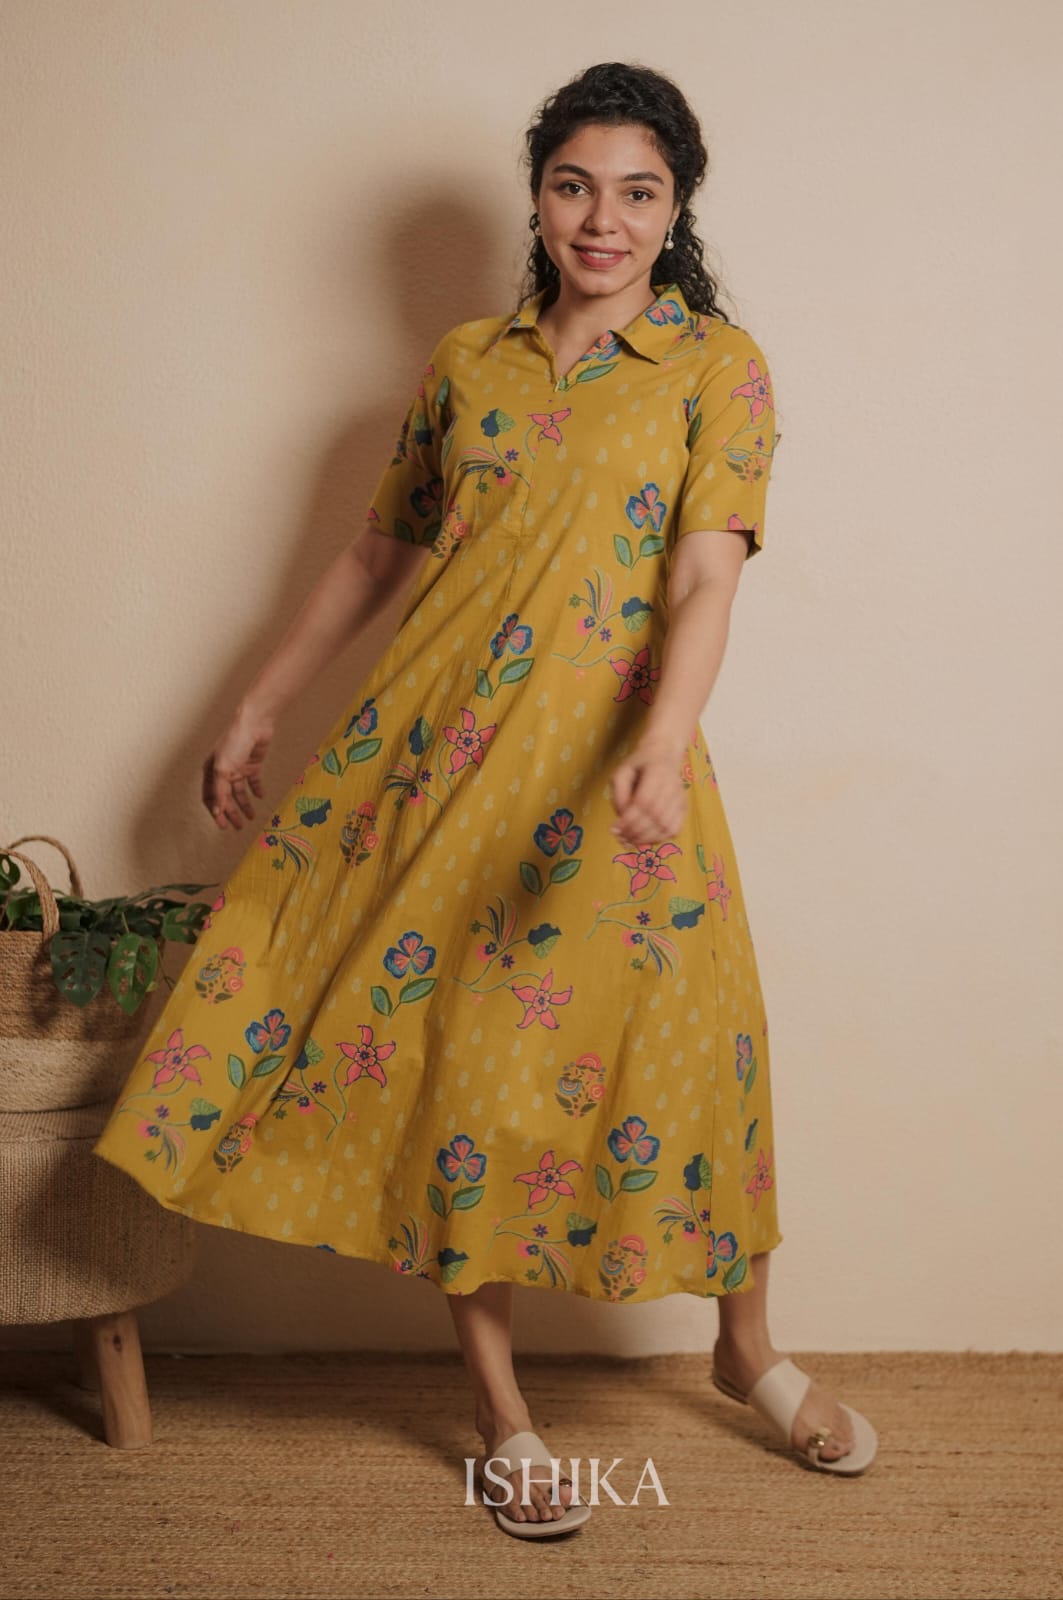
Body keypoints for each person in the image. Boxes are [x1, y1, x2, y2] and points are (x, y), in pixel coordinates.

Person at [92, 60, 876, 1540]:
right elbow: (379, 555)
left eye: (638, 191)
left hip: (619, 758)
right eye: (576, 185)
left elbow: (708, 571)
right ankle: (500, 1408)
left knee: (701, 1048)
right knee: (468, 1074)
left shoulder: (716, 366)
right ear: (538, 196)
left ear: (677, 209)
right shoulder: (470, 363)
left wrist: (668, 735)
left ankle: (746, 1348)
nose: (603, 219)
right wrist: (257, 701)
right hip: (439, 760)